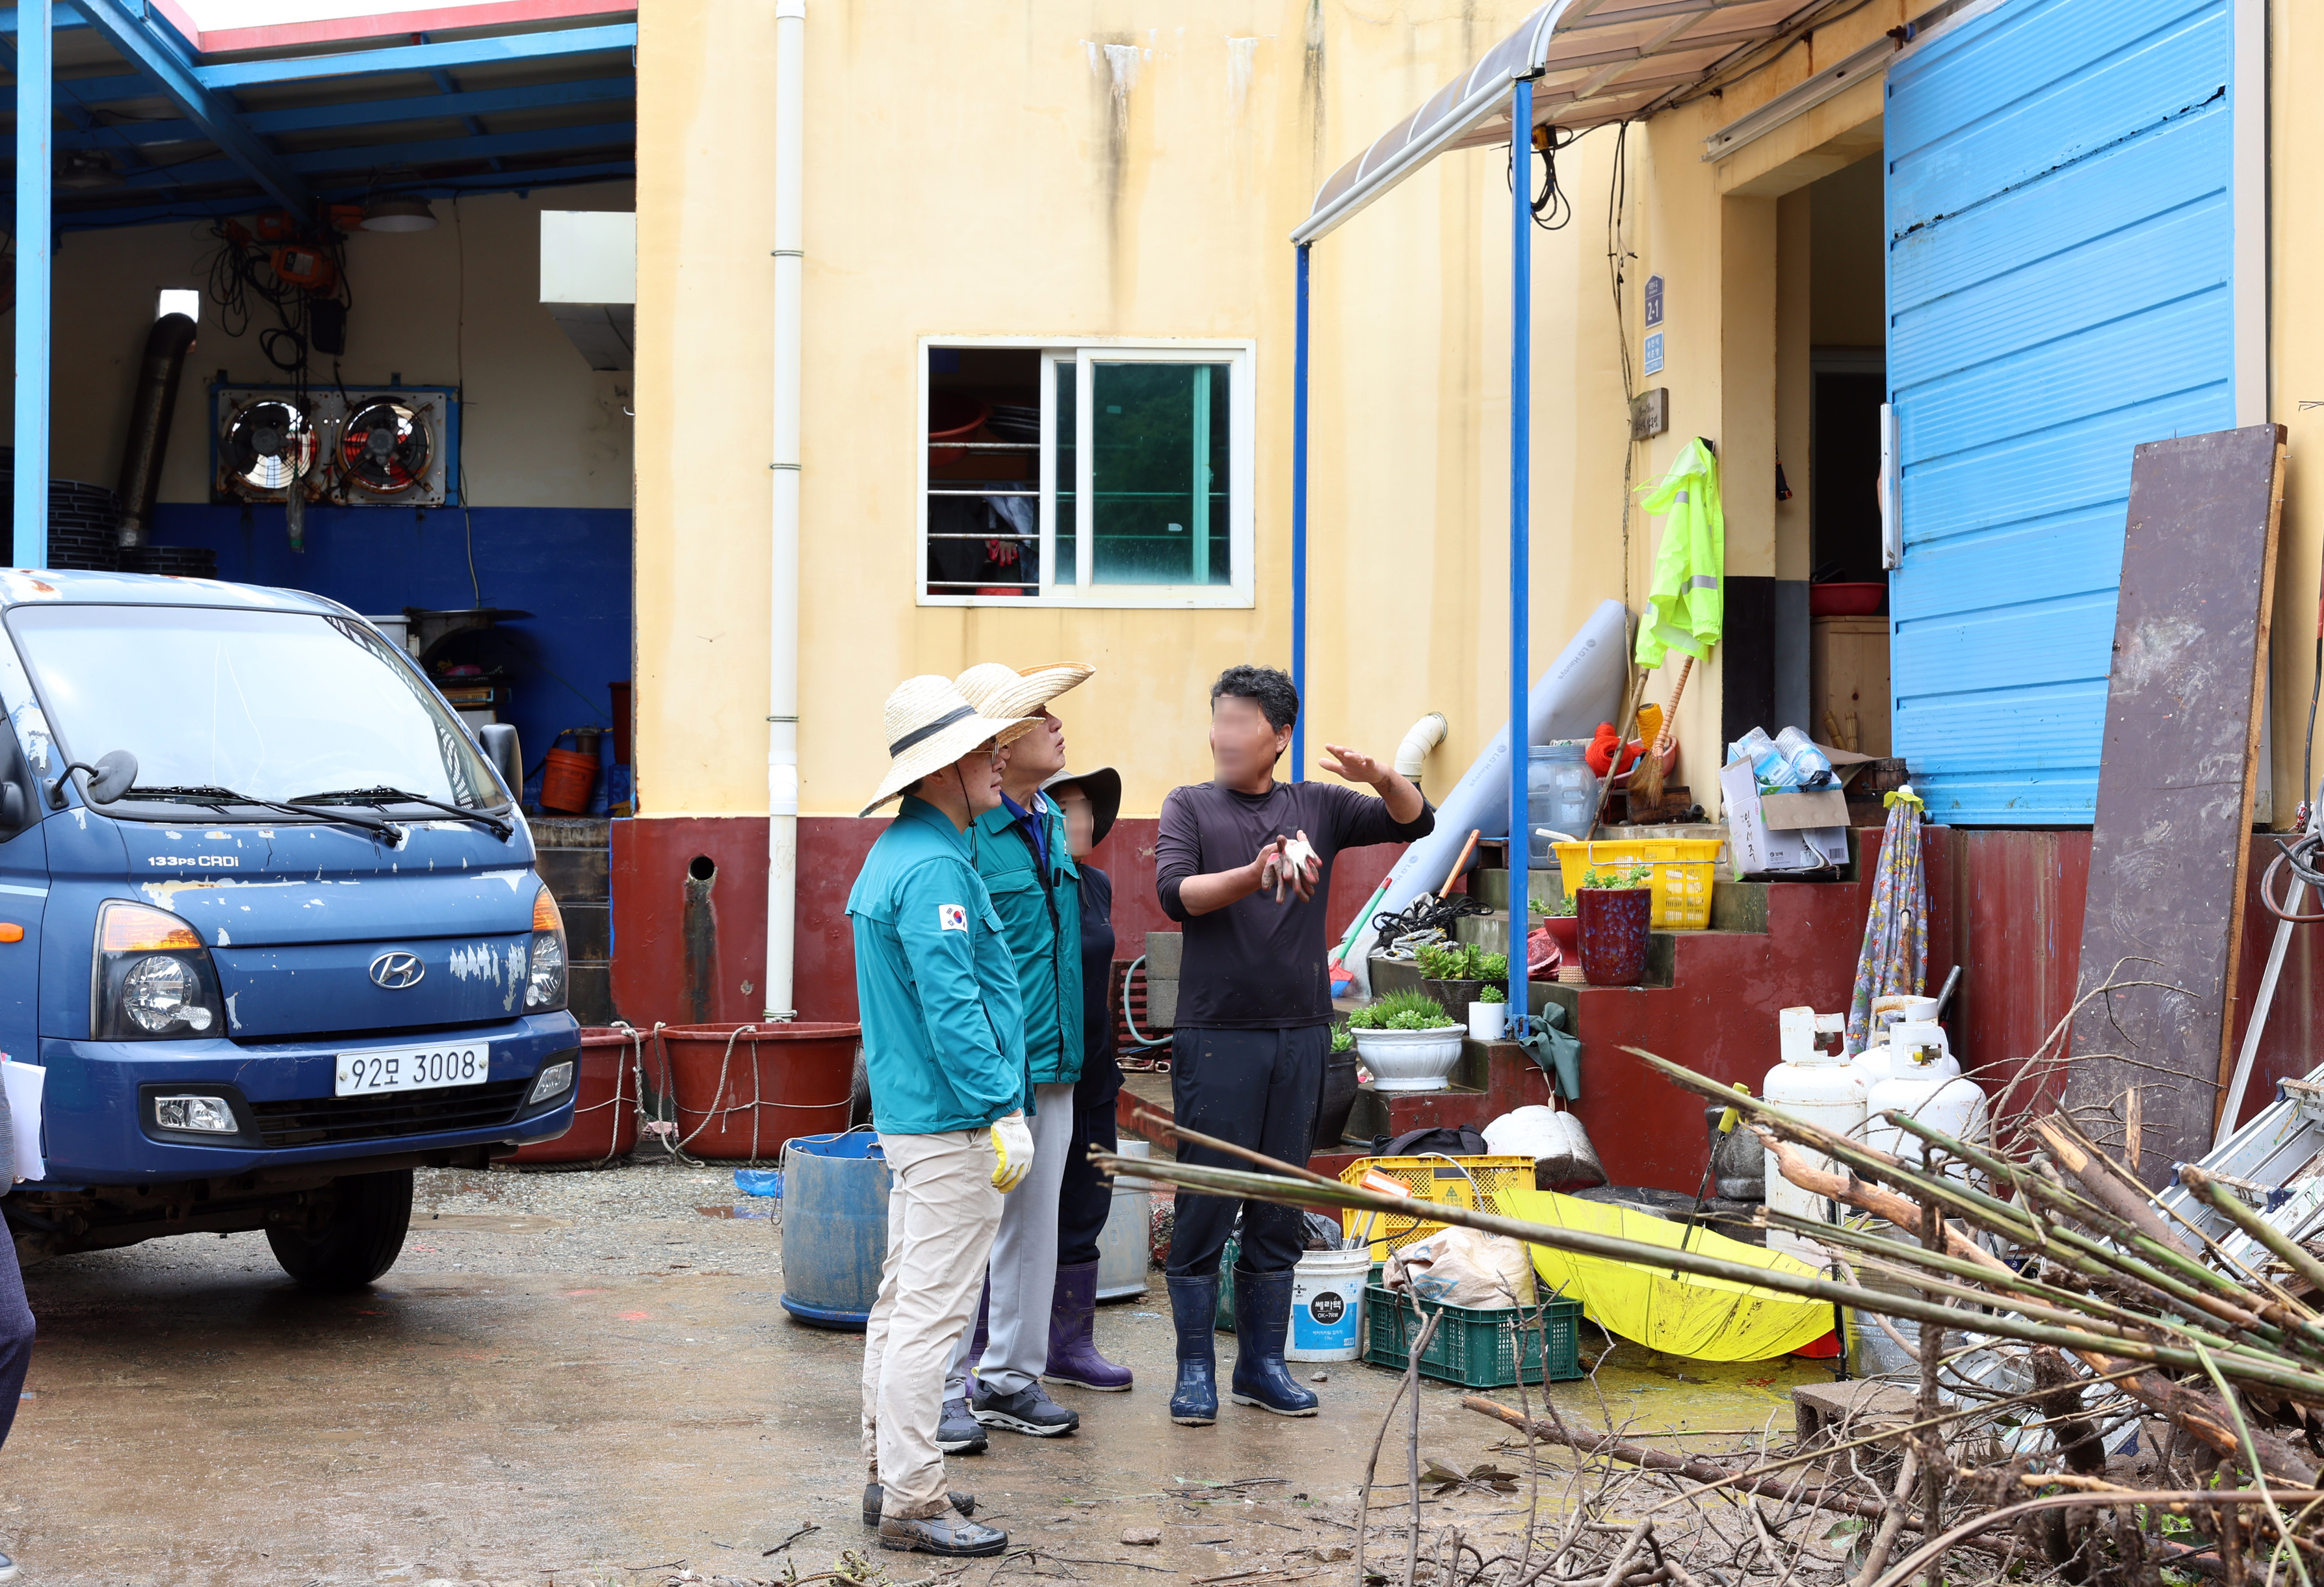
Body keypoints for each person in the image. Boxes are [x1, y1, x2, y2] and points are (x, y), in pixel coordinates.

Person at [1155, 665, 1433, 1426]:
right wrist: (1253, 871)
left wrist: (1382, 775)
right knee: (1207, 1199)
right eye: (1217, 718)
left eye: (1240, 721)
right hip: (1217, 1036)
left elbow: (1415, 824)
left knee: (1281, 1198)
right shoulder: (1190, 806)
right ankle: (1192, 1371)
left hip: (1303, 1033)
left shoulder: (1316, 803)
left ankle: (1262, 1365)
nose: (1223, 734)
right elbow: (1174, 894)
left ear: (1278, 737)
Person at [846, 675, 1039, 1559]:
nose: (997, 760)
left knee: (902, 1304)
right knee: (932, 1312)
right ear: (943, 769)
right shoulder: (930, 868)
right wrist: (1000, 1107)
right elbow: (954, 1009)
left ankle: (892, 1469)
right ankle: (915, 1501)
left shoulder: (907, 853)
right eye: (980, 752)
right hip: (951, 1122)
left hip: (920, 1115)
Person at [940, 662, 1094, 1444]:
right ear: (999, 738)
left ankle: (1008, 1378)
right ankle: (937, 1388)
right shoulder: (966, 833)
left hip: (1053, 1062)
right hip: (987, 1067)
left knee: (1035, 1228)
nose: (1058, 725)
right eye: (1041, 714)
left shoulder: (1045, 821)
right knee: (962, 1228)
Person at [1039, 766, 1131, 1393]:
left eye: (1084, 808)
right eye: (1063, 807)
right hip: (1041, 1070)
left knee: (1088, 1199)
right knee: (1018, 1210)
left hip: (1095, 1070)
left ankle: (1070, 1345)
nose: (1078, 819)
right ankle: (985, 1348)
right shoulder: (1026, 883)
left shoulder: (1094, 884)